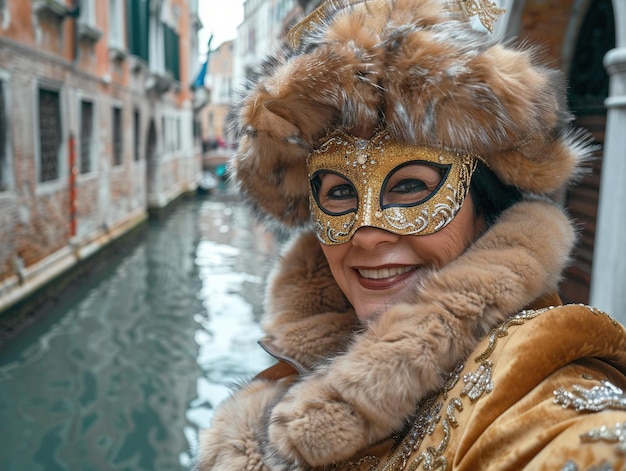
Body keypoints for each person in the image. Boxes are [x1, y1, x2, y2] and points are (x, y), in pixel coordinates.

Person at [196, 0, 626, 469]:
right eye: (339, 192)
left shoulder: (543, 396)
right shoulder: (292, 372)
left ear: (486, 206)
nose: (366, 236)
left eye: (409, 187)